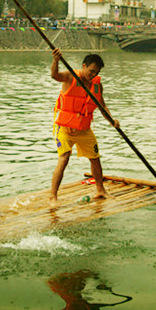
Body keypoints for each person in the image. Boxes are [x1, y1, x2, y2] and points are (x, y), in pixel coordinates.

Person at [49, 48, 119, 207]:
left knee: (95, 158)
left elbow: (102, 106)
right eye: (91, 71)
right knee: (64, 157)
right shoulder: (70, 76)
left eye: (96, 72)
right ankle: (53, 197)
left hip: (83, 128)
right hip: (64, 127)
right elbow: (54, 75)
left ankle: (100, 190)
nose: (92, 75)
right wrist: (56, 60)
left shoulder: (96, 86)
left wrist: (111, 120)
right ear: (84, 66)